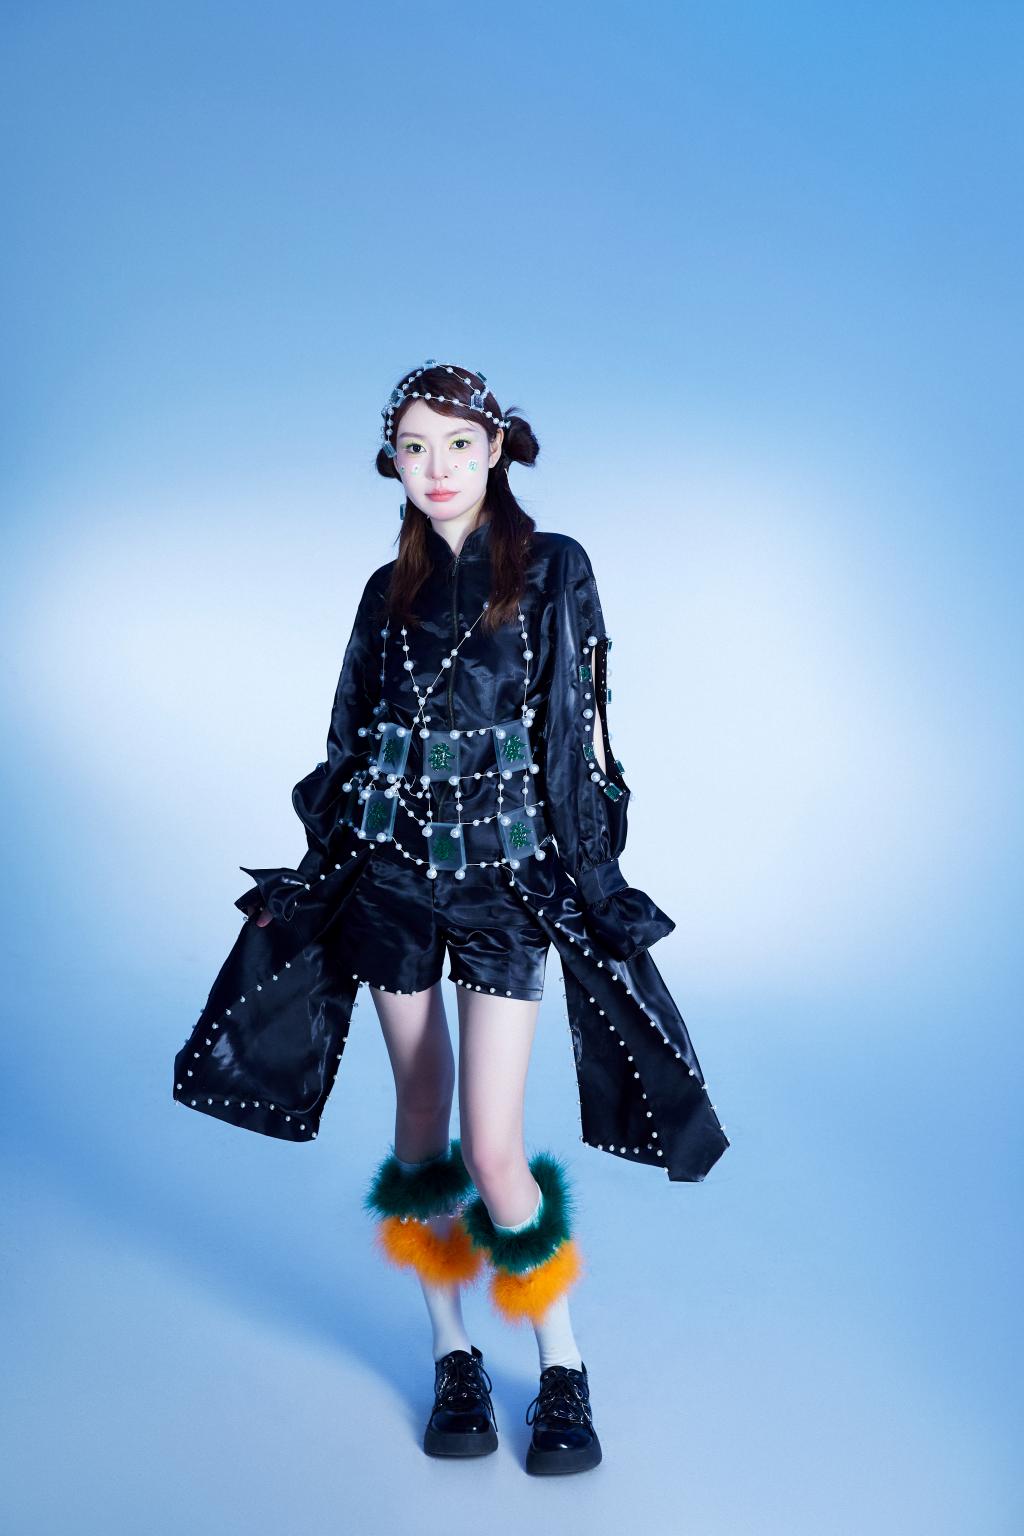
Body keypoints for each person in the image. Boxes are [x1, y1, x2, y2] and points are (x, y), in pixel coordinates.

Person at [173, 359, 729, 1477]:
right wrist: (320, 870)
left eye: (459, 445)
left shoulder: (554, 567)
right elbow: (347, 740)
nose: (438, 468)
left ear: (497, 449)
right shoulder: (385, 591)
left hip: (502, 889)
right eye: (416, 447)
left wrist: (594, 882)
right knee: (421, 1122)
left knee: (492, 1142)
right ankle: (452, 1353)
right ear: (393, 459)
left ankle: (561, 1361)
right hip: (391, 883)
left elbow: (576, 736)